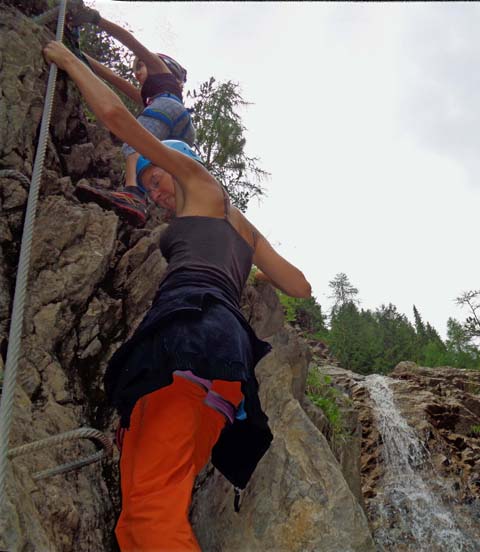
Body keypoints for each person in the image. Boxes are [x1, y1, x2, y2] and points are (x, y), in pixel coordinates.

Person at [43, 38, 312, 551]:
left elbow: (120, 122)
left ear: (183, 163)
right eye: (146, 188)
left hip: (188, 344)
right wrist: (247, 271)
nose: (155, 193)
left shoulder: (203, 185)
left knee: (150, 516)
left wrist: (70, 59)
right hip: (219, 376)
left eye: (156, 177)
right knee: (139, 519)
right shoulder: (242, 229)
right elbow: (299, 285)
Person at [69, 6, 196, 228]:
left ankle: (133, 193)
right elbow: (111, 77)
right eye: (135, 68)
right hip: (182, 130)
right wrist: (77, 52)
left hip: (170, 108)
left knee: (134, 141)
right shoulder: (149, 96)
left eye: (141, 65)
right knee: (163, 165)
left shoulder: (161, 73)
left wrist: (95, 19)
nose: (137, 72)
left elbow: (131, 43)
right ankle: (182, 206)